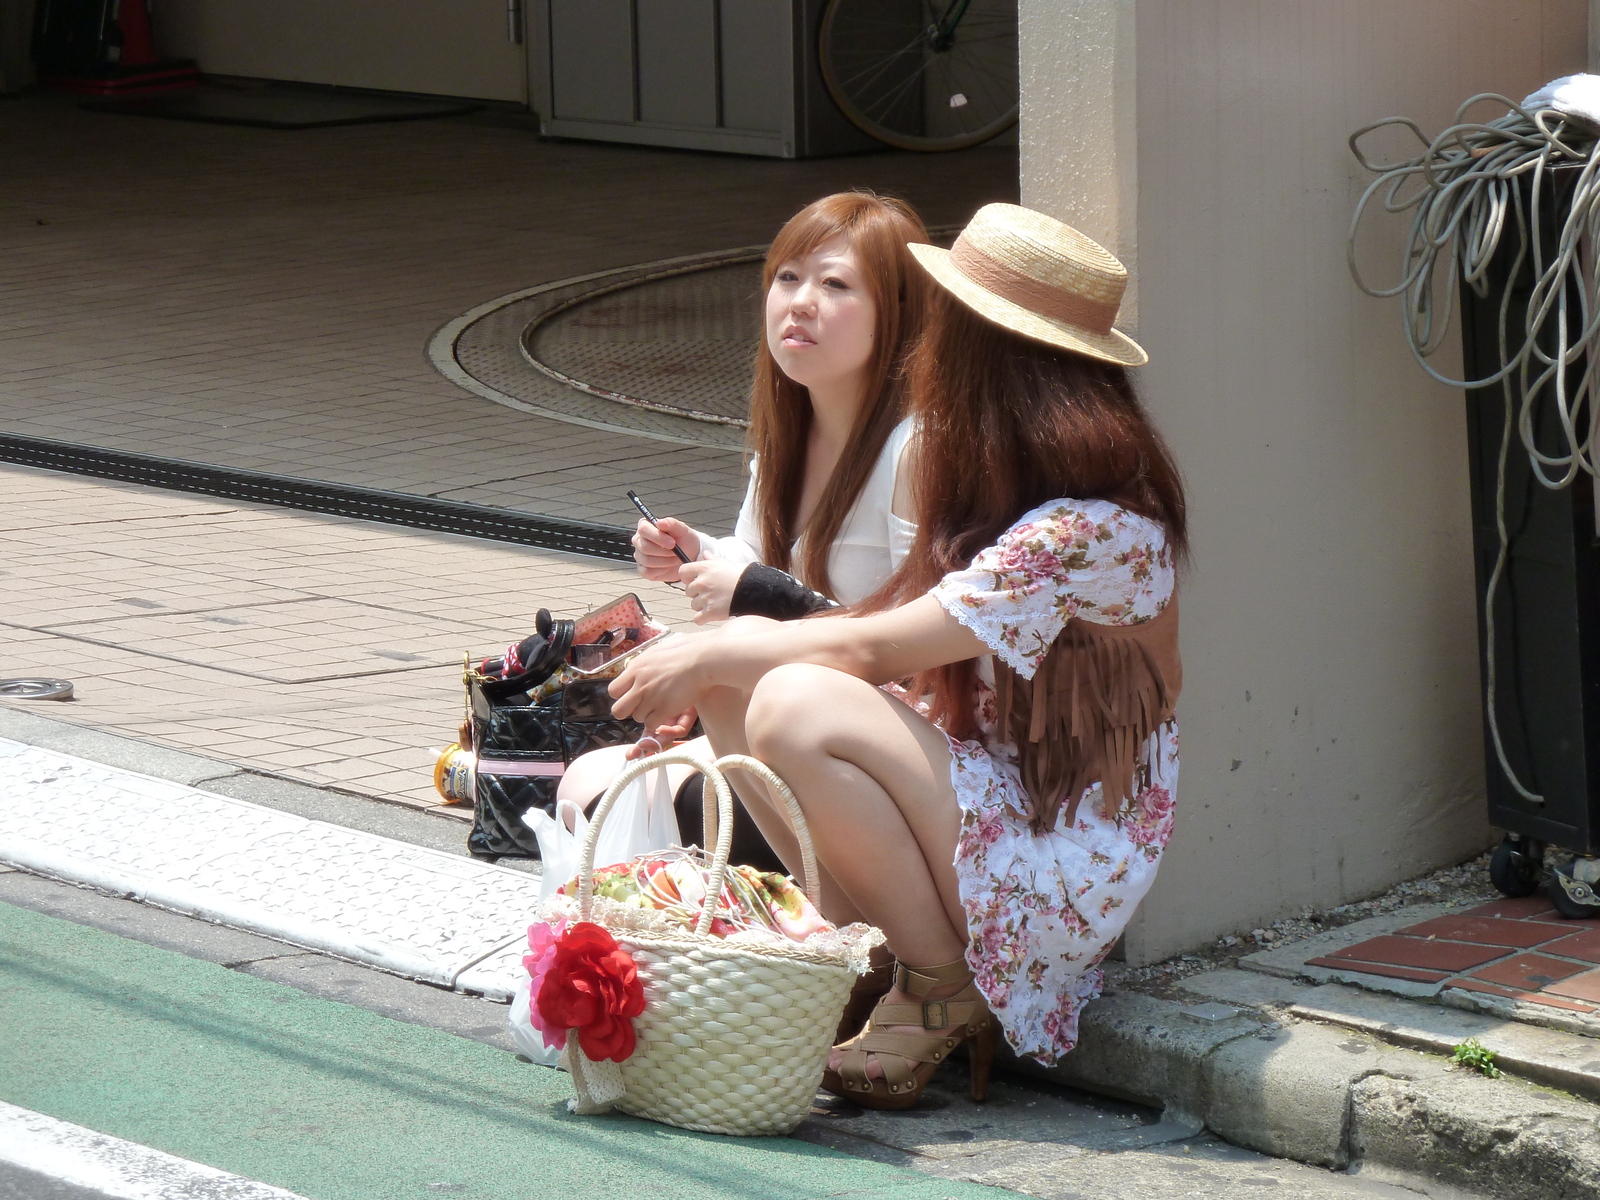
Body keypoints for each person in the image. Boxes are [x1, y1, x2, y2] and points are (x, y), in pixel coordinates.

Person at [608, 203, 1187, 1110]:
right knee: (744, 673)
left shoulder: (1088, 531)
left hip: (1049, 872)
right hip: (977, 811)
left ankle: (938, 983)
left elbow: (878, 645)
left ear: (994, 357)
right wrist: (718, 654)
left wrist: (721, 639)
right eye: (790, 280)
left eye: (946, 329)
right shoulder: (997, 483)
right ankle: (846, 958)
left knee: (791, 697)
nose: (926, 352)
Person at [560, 192, 933, 847]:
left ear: (897, 314)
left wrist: (741, 613)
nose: (800, 301)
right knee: (581, 785)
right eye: (787, 277)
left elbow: (918, 647)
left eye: (836, 284)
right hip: (779, 717)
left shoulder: (916, 449)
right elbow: (755, 559)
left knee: (628, 806)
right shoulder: (790, 438)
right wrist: (694, 552)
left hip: (871, 741)